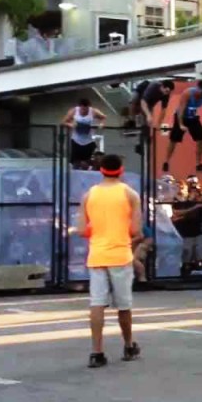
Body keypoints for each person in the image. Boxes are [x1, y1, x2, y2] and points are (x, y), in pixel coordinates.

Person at [75, 154, 142, 368]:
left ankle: (96, 351)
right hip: (120, 254)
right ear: (121, 170)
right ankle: (128, 345)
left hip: (97, 255)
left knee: (97, 304)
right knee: (124, 305)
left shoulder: (89, 195)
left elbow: (81, 230)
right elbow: (136, 230)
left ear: (100, 170)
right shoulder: (130, 194)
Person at [164, 80, 202, 173]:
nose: (200, 95)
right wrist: (181, 124)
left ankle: (199, 164)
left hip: (193, 118)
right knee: (174, 139)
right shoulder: (188, 93)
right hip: (181, 116)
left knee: (200, 138)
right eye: (200, 93)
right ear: (197, 89)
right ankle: (166, 161)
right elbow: (181, 110)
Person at [63, 98, 107, 170]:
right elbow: (63, 122)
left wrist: (101, 124)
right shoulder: (74, 111)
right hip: (76, 140)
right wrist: (70, 125)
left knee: (86, 163)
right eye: (82, 109)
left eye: (85, 109)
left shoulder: (93, 111)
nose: (83, 111)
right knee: (75, 162)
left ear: (88, 107)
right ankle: (74, 174)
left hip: (88, 141)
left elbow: (103, 117)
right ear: (79, 107)